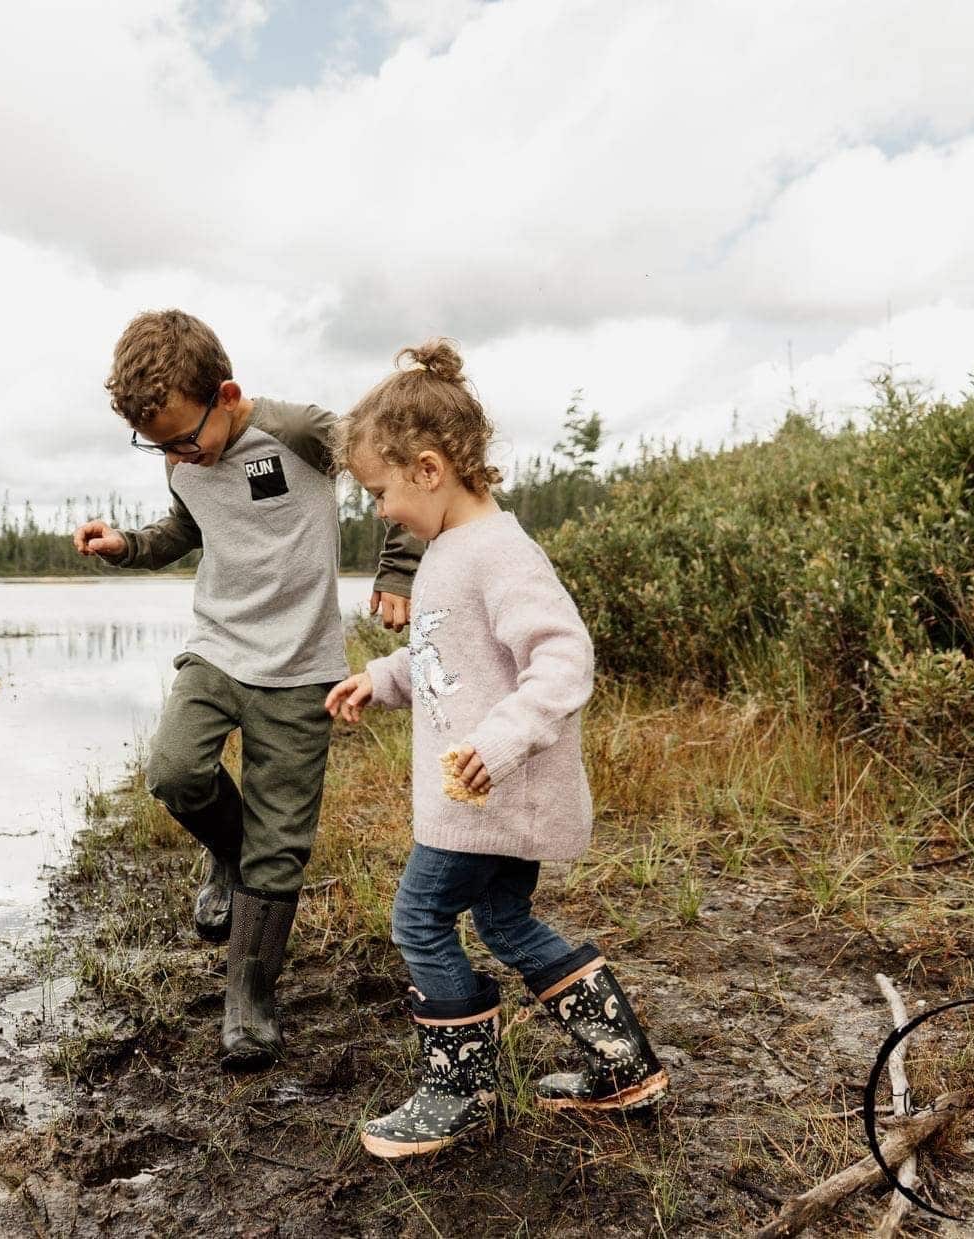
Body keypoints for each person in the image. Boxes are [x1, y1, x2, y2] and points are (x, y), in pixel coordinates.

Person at [323, 338, 668, 1157]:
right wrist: (381, 676)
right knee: (506, 921)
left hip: (487, 796)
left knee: (419, 919)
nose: (380, 512)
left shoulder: (500, 552)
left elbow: (563, 656)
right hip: (490, 797)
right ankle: (622, 1066)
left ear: (429, 468)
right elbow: (448, 656)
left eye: (379, 492)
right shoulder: (449, 553)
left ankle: (458, 1094)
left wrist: (501, 740)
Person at [74, 308, 421, 1068]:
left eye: (181, 439)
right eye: (158, 446)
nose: (176, 457)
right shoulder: (182, 457)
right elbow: (186, 528)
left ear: (226, 396)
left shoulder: (300, 433)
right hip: (218, 649)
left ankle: (249, 999)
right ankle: (227, 858)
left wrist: (398, 570)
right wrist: (127, 545)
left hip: (301, 668)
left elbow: (393, 467)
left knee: (280, 843)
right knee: (175, 771)